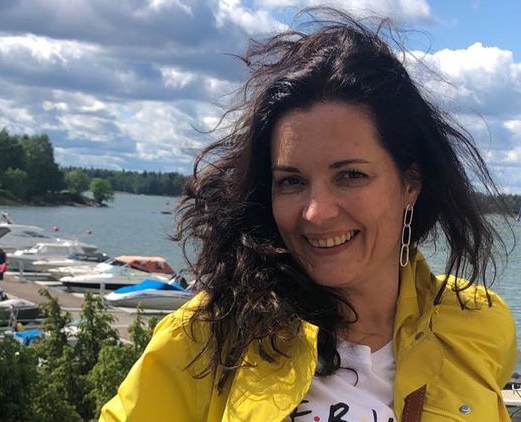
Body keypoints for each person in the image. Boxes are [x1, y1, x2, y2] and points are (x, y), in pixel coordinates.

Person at [101, 9, 517, 422]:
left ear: (410, 183)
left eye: (350, 175)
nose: (316, 213)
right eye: (291, 181)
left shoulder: (477, 323)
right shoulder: (207, 335)